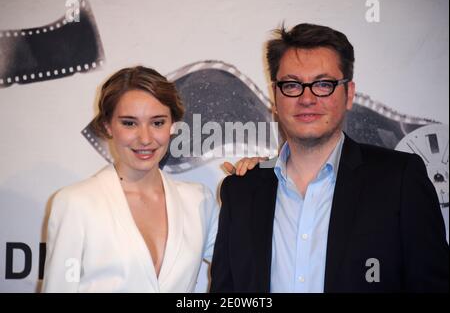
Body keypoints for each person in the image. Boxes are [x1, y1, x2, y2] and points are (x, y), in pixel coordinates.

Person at [210, 23, 449, 293]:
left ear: (349, 94)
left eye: (323, 84)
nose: (307, 98)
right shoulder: (241, 190)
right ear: (275, 97)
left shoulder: (400, 179)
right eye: (292, 85)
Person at [42, 66, 219, 292]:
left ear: (172, 125)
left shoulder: (198, 202)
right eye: (129, 123)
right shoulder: (75, 203)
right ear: (108, 126)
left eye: (157, 123)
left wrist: (260, 174)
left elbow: (246, 265)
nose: (145, 138)